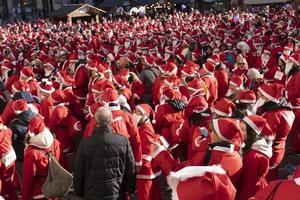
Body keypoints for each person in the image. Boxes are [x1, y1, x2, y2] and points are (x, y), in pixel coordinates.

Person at [74, 107, 136, 200]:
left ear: (96, 121)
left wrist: (78, 191)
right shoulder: (123, 141)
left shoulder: (85, 143)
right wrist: (130, 189)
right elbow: (130, 167)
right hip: (116, 191)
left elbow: (79, 169)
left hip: (92, 193)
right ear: (111, 120)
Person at [22, 116, 65, 200]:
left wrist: (25, 197)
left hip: (40, 191)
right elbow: (61, 164)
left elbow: (28, 179)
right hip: (55, 187)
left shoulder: (31, 153)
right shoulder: (55, 142)